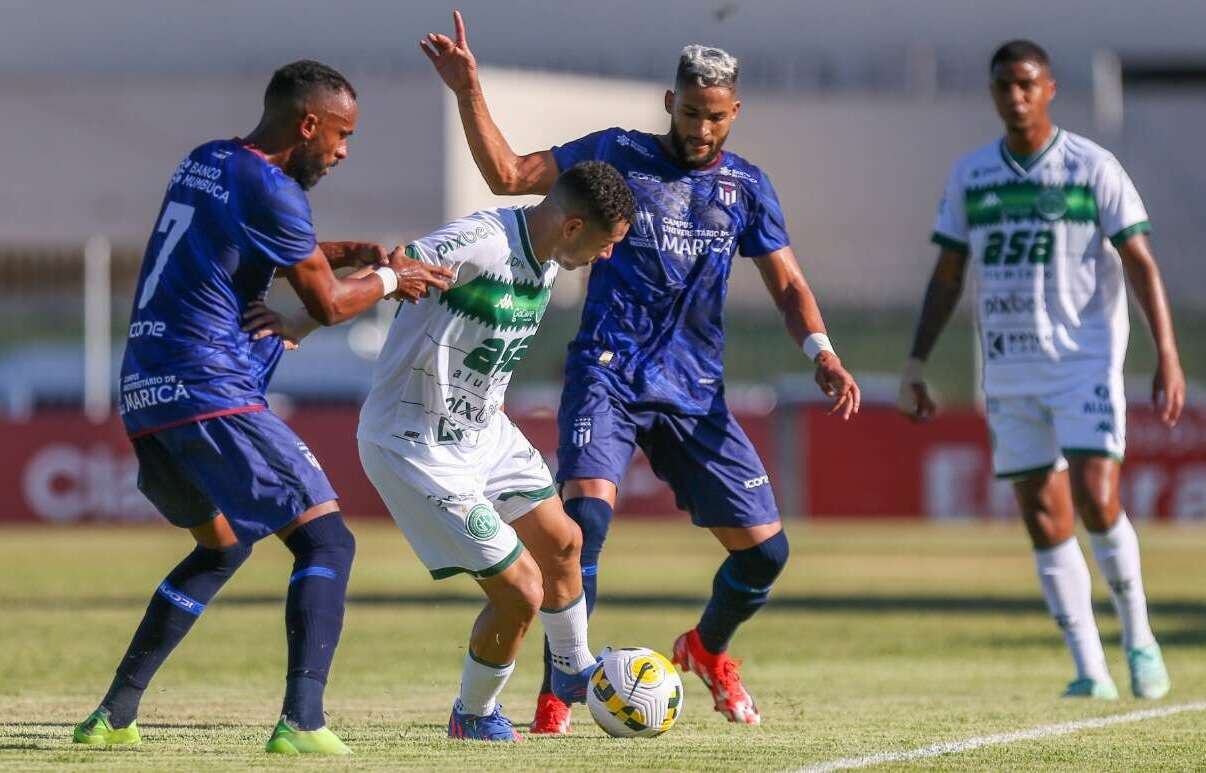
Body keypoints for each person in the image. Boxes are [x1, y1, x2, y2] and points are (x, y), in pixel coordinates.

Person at [420, 11, 860, 730]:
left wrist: (823, 352)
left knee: (766, 556)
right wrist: (469, 88)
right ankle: (558, 691)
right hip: (608, 376)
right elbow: (508, 175)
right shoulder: (616, 154)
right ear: (669, 103)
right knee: (584, 523)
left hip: (693, 395)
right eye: (690, 113)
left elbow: (787, 283)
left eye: (716, 116)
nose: (702, 129)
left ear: (735, 112)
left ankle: (707, 648)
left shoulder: (747, 188)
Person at [71, 60, 452, 755]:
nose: (342, 152)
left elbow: (251, 247)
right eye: (341, 135)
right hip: (209, 385)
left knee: (221, 546)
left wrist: (339, 252)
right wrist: (392, 276)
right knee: (328, 539)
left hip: (145, 392)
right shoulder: (275, 190)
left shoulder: (206, 160)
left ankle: (112, 714)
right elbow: (327, 304)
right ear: (308, 124)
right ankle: (302, 722)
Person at [251, 161, 630, 740]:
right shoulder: (482, 241)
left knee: (565, 543)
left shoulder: (550, 261)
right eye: (606, 245)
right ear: (575, 226)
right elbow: (396, 265)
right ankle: (472, 715)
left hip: (484, 431)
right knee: (522, 592)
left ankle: (573, 669)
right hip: (414, 443)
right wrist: (301, 321)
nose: (605, 258)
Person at [899, 40, 1184, 700]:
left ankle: (1138, 635)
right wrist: (916, 359)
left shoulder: (1092, 166)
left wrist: (1167, 352)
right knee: (1043, 516)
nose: (1016, 96)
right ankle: (1090, 666)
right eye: (1004, 86)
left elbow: (1141, 261)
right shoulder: (973, 175)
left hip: (1083, 362)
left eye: (1027, 84)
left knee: (1095, 497)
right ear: (995, 93)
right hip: (1009, 369)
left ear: (1050, 88)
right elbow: (948, 273)